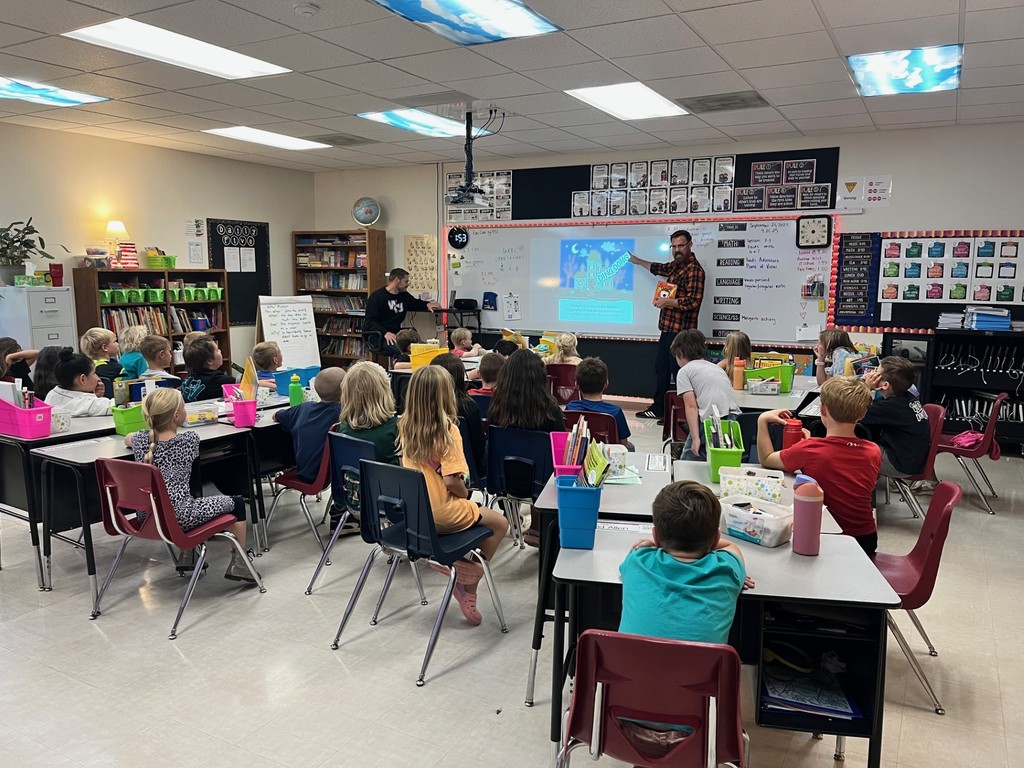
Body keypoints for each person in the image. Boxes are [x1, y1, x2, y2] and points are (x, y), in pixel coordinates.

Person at [398, 366, 509, 626]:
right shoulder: (448, 430)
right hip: (444, 514)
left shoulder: (405, 426)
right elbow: (452, 481)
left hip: (415, 515)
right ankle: (468, 578)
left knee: (480, 516)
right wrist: (467, 494)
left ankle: (460, 565)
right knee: (499, 523)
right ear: (445, 396)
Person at [127, 388, 257, 582]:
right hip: (180, 517)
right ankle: (240, 564)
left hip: (148, 516)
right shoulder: (190, 439)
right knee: (236, 503)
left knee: (187, 498)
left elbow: (128, 438)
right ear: (177, 416)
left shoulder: (139, 440)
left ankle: (188, 554)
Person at [757, 376, 881, 555]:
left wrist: (763, 421)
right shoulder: (873, 451)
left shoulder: (809, 449)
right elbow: (842, 464)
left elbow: (767, 458)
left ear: (822, 409)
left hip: (828, 536)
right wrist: (812, 445)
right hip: (865, 540)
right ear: (863, 413)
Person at [619, 481, 751, 642]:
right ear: (716, 539)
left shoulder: (638, 560)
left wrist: (656, 542)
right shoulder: (727, 569)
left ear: (656, 537)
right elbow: (732, 546)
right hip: (702, 668)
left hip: (627, 667)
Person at [628, 230, 706, 420]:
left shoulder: (694, 270)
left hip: (681, 334)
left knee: (679, 373)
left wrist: (668, 302)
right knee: (661, 368)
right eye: (674, 246)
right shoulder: (675, 266)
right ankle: (659, 408)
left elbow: (693, 301)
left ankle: (678, 414)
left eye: (681, 246)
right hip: (667, 329)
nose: (677, 250)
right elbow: (657, 268)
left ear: (690, 245)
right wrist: (637, 261)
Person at [671, 329, 739, 460]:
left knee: (688, 461)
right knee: (720, 459)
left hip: (712, 420)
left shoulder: (684, 371)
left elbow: (691, 406)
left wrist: (696, 438)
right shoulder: (715, 368)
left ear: (680, 353)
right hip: (734, 418)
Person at [861, 356, 930, 478]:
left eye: (876, 372)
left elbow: (855, 413)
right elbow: (875, 407)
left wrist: (866, 387)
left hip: (899, 465)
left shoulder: (891, 407)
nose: (871, 373)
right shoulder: (906, 396)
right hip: (912, 460)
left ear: (885, 385)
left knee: (849, 451)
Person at [274, 367, 345, 483]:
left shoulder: (303, 408)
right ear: (346, 389)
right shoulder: (343, 412)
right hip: (335, 474)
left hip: (305, 473)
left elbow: (277, 416)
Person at [364, 267, 440, 357]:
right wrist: (385, 333)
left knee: (425, 349)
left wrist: (427, 304)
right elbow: (369, 321)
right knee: (406, 352)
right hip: (379, 336)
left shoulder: (404, 296)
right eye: (406, 281)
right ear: (397, 280)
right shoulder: (377, 297)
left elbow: (415, 303)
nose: (408, 284)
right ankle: (400, 368)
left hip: (397, 335)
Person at [430, 352, 485, 474]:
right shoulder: (469, 407)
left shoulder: (424, 408)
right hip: (465, 469)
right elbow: (478, 449)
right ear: (460, 376)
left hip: (431, 469)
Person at [486, 348, 566, 432]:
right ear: (541, 378)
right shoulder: (551, 412)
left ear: (506, 376)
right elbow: (560, 442)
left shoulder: (496, 406)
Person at [335, 360, 399, 464]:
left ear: (346, 394)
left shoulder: (342, 428)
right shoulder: (397, 428)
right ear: (385, 391)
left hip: (350, 480)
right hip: (387, 480)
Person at [566, 356, 634, 450]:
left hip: (579, 454)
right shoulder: (615, 412)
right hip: (608, 456)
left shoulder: (571, 408)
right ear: (606, 384)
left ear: (577, 385)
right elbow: (623, 443)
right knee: (630, 447)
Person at [43, 347, 114, 416]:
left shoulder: (52, 394)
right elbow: (118, 405)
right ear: (82, 379)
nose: (97, 378)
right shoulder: (87, 404)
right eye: (94, 373)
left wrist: (96, 397)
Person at [181, 333, 235, 402]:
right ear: (209, 361)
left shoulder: (188, 378)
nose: (220, 351)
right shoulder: (217, 379)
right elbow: (243, 386)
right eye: (217, 350)